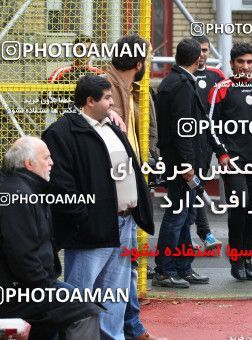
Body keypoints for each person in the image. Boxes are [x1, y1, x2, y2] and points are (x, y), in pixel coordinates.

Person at [41, 75, 155, 338]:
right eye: (106, 98)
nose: (112, 103)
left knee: (115, 293)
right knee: (81, 294)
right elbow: (59, 182)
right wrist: (85, 217)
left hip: (123, 223)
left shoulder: (111, 126)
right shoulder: (61, 132)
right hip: (91, 229)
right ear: (89, 101)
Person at [0, 136, 101, 340]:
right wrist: (45, 289)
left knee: (74, 301)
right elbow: (22, 256)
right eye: (46, 158)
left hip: (26, 284)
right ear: (29, 164)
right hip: (16, 290)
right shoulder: (18, 196)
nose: (51, 162)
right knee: (85, 311)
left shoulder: (23, 189)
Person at [105, 34, 161, 340]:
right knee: (117, 265)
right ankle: (116, 330)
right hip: (118, 190)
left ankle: (131, 325)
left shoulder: (133, 89)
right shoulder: (107, 87)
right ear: (139, 63)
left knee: (127, 262)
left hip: (131, 183)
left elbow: (146, 133)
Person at [153, 38, 219, 288]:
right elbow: (183, 129)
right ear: (197, 59)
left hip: (180, 162)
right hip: (182, 165)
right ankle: (165, 269)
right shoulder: (181, 85)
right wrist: (188, 164)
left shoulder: (174, 81)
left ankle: (183, 266)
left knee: (187, 214)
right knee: (177, 216)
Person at [208, 42, 252, 281]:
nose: (245, 67)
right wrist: (222, 154)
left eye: (249, 62)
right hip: (233, 161)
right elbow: (211, 126)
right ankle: (236, 260)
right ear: (232, 63)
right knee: (239, 208)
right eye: (240, 62)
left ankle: (247, 259)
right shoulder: (221, 89)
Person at [191, 35, 225, 251]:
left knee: (196, 185)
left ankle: (199, 234)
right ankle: (203, 234)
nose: (202, 54)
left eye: (205, 50)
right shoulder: (182, 76)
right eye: (198, 50)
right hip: (186, 142)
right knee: (192, 186)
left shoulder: (216, 76)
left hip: (207, 141)